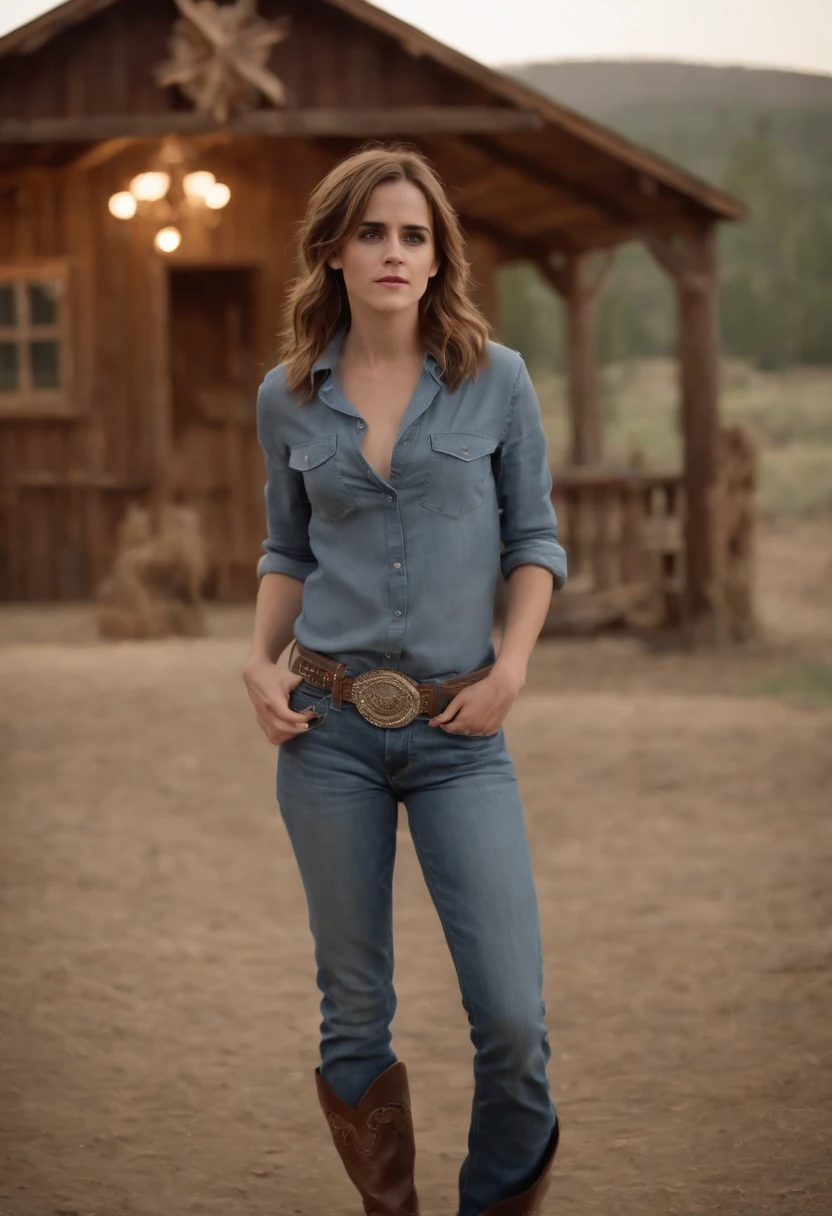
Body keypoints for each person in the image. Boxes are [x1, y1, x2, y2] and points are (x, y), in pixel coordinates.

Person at [243, 145, 567, 1216]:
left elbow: (534, 542)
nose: (392, 251)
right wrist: (256, 661)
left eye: (413, 234)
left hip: (462, 731)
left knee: (513, 1017)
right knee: (353, 1008)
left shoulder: (497, 379)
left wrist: (511, 667)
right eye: (372, 231)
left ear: (438, 260)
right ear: (334, 251)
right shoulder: (288, 397)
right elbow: (286, 549)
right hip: (326, 728)